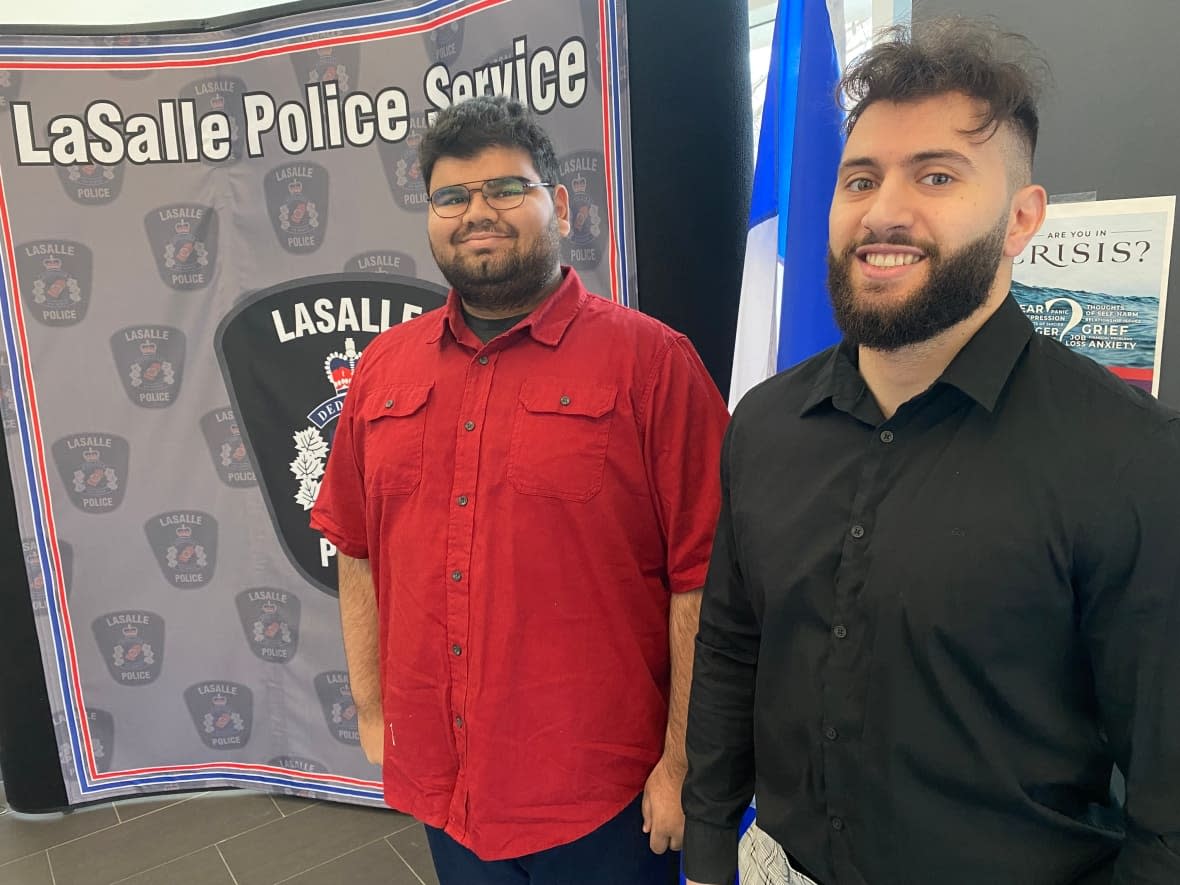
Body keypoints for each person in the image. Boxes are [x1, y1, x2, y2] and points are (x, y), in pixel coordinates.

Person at [682, 18, 1180, 885]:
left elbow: (1168, 800)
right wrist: (709, 844)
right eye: (860, 178)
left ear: (1022, 218)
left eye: (937, 175)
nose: (883, 212)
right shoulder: (763, 427)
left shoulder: (1132, 461)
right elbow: (733, 647)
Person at [311, 95, 729, 885]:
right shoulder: (383, 370)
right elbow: (355, 545)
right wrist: (372, 709)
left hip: (607, 800)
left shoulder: (654, 364)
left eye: (507, 189)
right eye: (452, 197)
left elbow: (704, 581)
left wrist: (682, 762)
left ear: (560, 205)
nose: (478, 212)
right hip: (449, 790)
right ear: (431, 217)